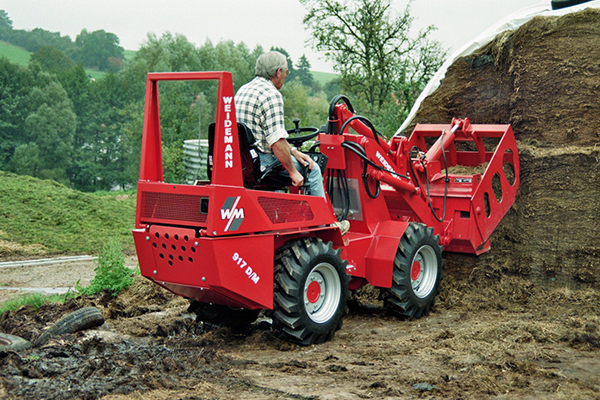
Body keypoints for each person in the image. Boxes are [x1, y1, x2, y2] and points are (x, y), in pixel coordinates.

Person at [235, 51, 349, 235]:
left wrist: (295, 152)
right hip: (262, 162)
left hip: (243, 162)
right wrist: (293, 172)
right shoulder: (271, 95)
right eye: (286, 72)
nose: (286, 77)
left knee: (301, 159)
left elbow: (267, 135)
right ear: (278, 72)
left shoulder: (243, 90)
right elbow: (276, 143)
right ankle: (324, 226)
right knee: (313, 169)